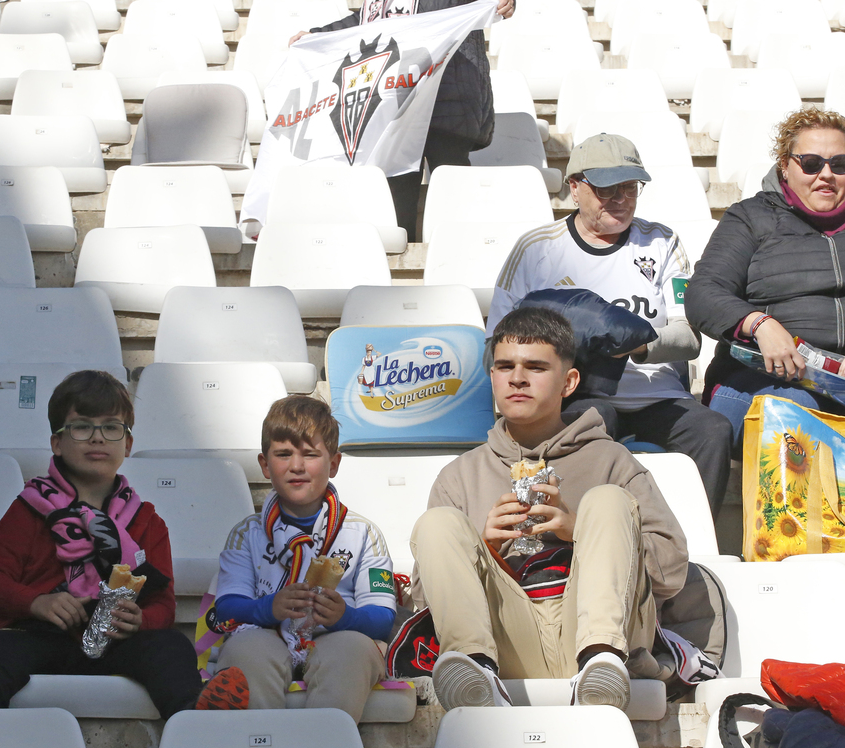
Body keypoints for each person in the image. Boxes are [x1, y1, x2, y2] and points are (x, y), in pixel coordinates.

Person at [410, 307, 688, 712]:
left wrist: (578, 531)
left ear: (569, 381)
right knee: (438, 524)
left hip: (599, 631)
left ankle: (600, 663)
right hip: (506, 638)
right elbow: (423, 598)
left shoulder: (611, 459)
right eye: (504, 366)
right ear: (492, 378)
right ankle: (476, 671)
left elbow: (672, 571)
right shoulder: (459, 475)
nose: (517, 378)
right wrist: (482, 546)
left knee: (606, 500)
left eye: (536, 367)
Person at [0, 370, 245, 715]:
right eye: (81, 426)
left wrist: (140, 621)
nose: (97, 438)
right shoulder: (29, 508)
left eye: (111, 427)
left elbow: (163, 605)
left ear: (128, 444)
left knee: (172, 647)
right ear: (57, 442)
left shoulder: (147, 521)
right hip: (37, 636)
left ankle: (199, 725)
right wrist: (37, 603)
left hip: (115, 643)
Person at [487, 133, 733, 519]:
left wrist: (635, 346)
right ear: (575, 188)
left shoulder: (661, 242)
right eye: (606, 188)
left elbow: (688, 339)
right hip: (573, 395)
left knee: (713, 430)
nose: (620, 198)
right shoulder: (537, 249)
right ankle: (576, 538)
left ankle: (693, 544)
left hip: (657, 396)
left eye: (630, 187)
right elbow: (497, 344)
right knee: (595, 419)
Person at [211, 395, 397, 723]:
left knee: (353, 651)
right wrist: (268, 608)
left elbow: (382, 618)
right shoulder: (246, 534)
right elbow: (226, 609)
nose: (296, 466)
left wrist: (345, 617)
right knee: (245, 652)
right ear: (265, 464)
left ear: (334, 463)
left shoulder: (363, 533)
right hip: (265, 636)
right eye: (283, 454)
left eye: (310, 455)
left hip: (336, 638)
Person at [289, 0, 515, 241]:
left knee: (452, 193)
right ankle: (403, 269)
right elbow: (365, 22)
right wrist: (317, 37)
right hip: (401, 107)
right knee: (398, 197)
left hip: (449, 102)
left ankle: (459, 256)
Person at [687, 107, 845, 448]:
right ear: (785, 167)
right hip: (765, 379)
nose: (827, 175)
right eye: (812, 163)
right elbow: (702, 293)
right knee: (800, 423)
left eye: (840, 164)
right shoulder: (751, 218)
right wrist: (759, 323)